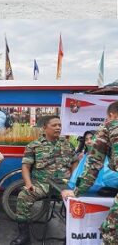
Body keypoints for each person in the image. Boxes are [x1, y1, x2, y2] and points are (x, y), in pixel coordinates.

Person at [9, 116, 76, 245]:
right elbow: (26, 166)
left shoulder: (67, 145)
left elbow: (74, 162)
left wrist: (73, 180)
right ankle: (24, 236)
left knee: (78, 201)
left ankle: (72, 235)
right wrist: (28, 184)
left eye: (59, 125)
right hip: (42, 185)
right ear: (45, 128)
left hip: (65, 186)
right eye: (54, 125)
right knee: (24, 195)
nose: (58, 128)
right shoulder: (34, 145)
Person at [62, 102, 118, 243]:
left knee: (111, 232)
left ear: (111, 115)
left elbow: (94, 164)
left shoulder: (109, 126)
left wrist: (77, 191)